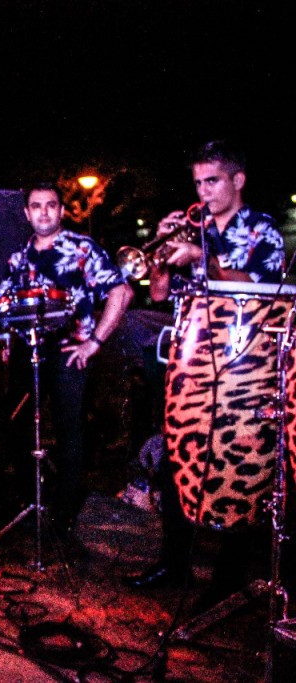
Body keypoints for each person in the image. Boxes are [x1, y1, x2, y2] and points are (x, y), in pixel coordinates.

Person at [124, 140, 285, 601]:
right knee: (177, 457)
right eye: (198, 183)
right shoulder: (194, 230)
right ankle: (172, 563)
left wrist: (201, 257)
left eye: (212, 181)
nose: (203, 192)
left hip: (243, 365)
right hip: (191, 362)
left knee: (238, 462)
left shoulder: (262, 231)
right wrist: (159, 254)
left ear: (238, 180)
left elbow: (263, 289)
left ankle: (227, 581)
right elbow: (158, 294)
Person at [0, 181, 133, 534]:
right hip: (28, 351)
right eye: (36, 206)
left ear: (62, 211)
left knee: (69, 432)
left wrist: (94, 342)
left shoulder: (82, 248)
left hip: (69, 351)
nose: (44, 212)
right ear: (27, 213)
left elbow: (121, 292)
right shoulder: (19, 258)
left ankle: (65, 515)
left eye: (51, 205)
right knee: (17, 426)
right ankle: (31, 504)